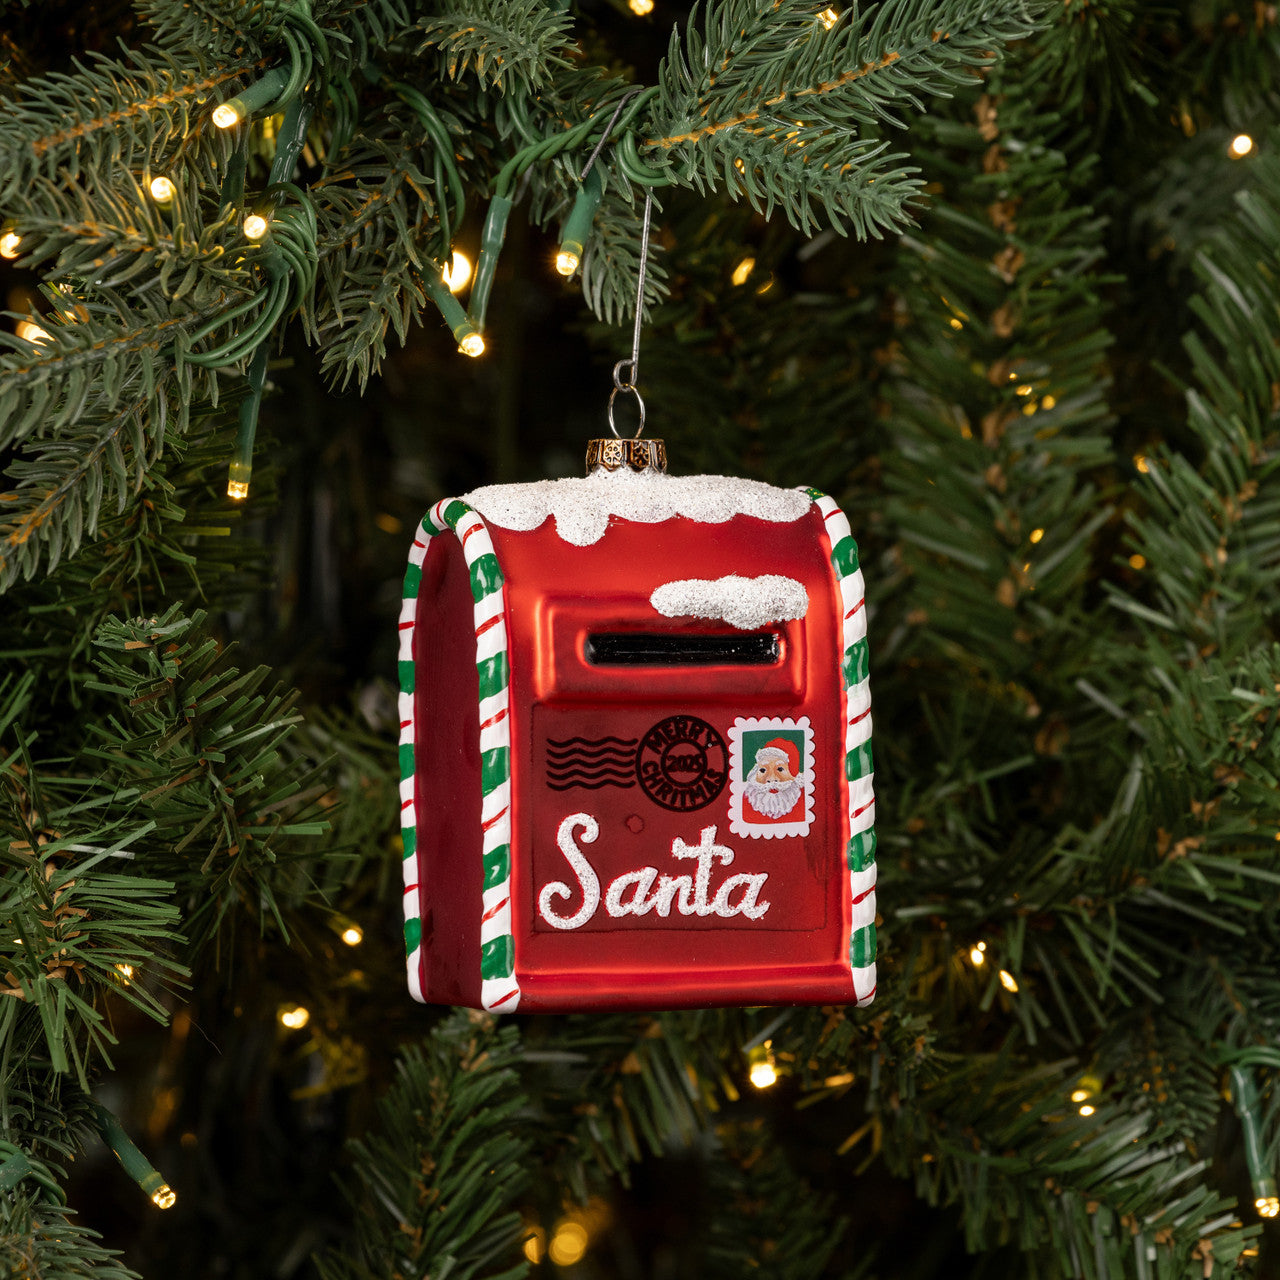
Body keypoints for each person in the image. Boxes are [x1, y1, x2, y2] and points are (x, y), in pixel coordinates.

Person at [743, 739, 803, 820]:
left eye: (780, 769)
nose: (771, 779)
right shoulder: (744, 802)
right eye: (763, 770)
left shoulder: (804, 803)